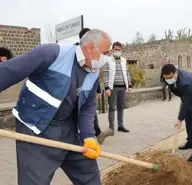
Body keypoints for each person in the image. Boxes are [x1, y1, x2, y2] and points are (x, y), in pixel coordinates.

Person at [0, 29, 111, 185]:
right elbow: (7, 72)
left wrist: (88, 136)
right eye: (106, 52)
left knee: (90, 178)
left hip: (69, 129)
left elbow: (87, 107)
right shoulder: (51, 54)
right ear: (90, 47)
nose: (108, 57)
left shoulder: (93, 71)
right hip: (35, 130)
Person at [161, 64, 192, 161]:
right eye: (166, 78)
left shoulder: (185, 83)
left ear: (176, 73)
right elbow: (184, 99)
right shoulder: (169, 74)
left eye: (170, 77)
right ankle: (190, 143)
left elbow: (185, 103)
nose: (168, 80)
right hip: (189, 97)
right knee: (188, 120)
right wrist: (182, 117)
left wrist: (179, 119)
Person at [75, 27, 106, 144]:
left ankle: (94, 134)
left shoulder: (93, 53)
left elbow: (94, 73)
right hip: (77, 90)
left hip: (88, 89)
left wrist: (97, 90)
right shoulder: (75, 52)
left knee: (90, 111)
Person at [102, 41, 132, 138]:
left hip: (122, 87)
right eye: (116, 49)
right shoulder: (108, 60)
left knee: (121, 107)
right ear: (113, 50)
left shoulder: (124, 60)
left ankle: (120, 125)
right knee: (112, 107)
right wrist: (106, 87)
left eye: (119, 49)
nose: (118, 51)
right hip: (113, 87)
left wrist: (129, 86)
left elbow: (127, 73)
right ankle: (111, 127)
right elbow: (105, 74)